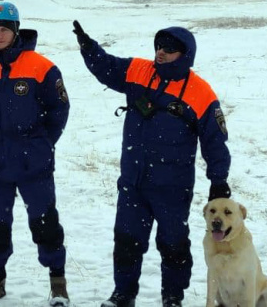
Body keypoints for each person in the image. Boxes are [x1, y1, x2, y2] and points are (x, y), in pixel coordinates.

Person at [71, 21, 231, 307]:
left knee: (174, 245)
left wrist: (218, 181)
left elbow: (215, 141)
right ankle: (123, 294)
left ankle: (172, 297)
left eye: (169, 49)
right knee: (126, 241)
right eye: (159, 46)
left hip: (173, 187)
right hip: (133, 181)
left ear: (185, 55)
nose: (161, 53)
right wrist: (88, 47)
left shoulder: (201, 92)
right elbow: (107, 67)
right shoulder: (138, 71)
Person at [0, 2, 71, 307]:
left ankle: (58, 283)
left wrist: (42, 144)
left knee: (45, 223)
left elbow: (59, 109)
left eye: (4, 30)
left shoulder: (42, 67)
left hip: (33, 164)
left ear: (15, 31)